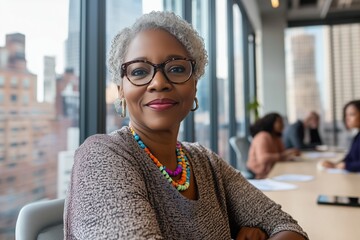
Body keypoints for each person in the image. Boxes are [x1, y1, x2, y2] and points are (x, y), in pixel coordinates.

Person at [64, 11, 308, 240]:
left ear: (194, 86)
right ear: (121, 91)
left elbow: (286, 227)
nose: (158, 83)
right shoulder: (101, 156)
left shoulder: (205, 162)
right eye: (139, 71)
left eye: (177, 69)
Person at [247, 113, 301, 179]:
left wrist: (289, 154)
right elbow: (263, 159)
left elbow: (281, 153)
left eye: (283, 122)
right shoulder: (263, 136)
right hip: (258, 173)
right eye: (279, 122)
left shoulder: (276, 137)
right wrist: (285, 154)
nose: (283, 124)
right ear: (271, 123)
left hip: (272, 171)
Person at [320, 100, 360, 172]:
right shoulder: (357, 136)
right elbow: (350, 157)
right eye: (346, 115)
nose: (347, 119)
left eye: (352, 114)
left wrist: (346, 166)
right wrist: (336, 164)